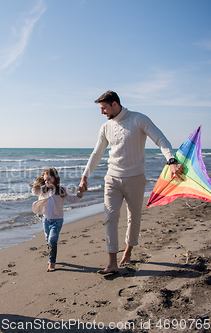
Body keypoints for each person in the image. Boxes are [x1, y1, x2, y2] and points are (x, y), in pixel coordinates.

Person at [78, 91, 184, 275]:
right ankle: (112, 263)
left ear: (114, 104)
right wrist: (85, 176)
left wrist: (171, 161)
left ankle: (128, 251)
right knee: (110, 217)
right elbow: (97, 153)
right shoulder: (105, 127)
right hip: (112, 178)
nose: (102, 112)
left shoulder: (138, 119)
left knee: (133, 217)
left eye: (104, 108)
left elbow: (160, 139)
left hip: (135, 178)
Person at [31, 167, 83, 272]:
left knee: (52, 240)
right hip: (46, 220)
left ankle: (52, 263)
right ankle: (51, 255)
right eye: (45, 180)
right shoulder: (43, 191)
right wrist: (40, 179)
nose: (47, 182)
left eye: (49, 179)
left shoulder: (62, 190)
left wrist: (80, 193)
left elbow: (73, 199)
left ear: (55, 178)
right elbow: (34, 190)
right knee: (48, 240)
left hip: (57, 220)